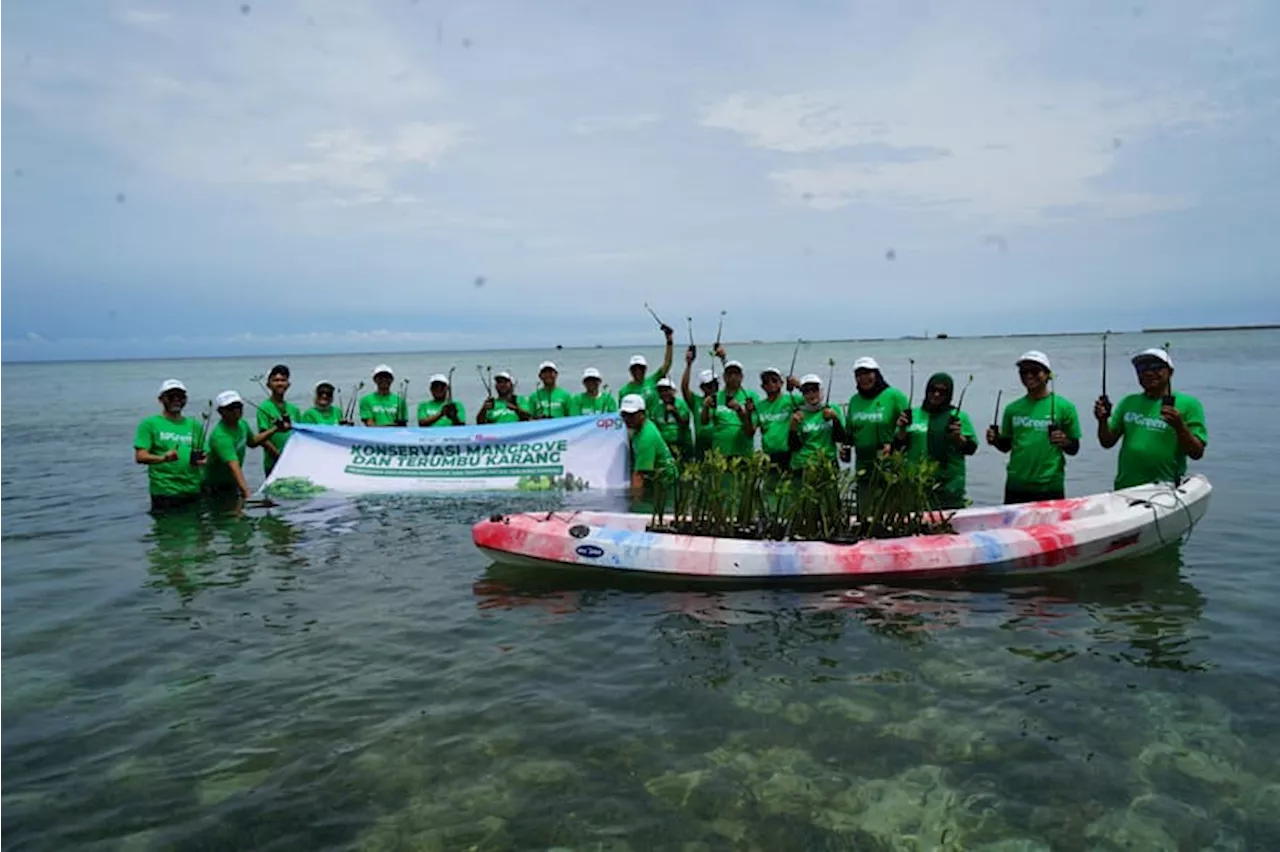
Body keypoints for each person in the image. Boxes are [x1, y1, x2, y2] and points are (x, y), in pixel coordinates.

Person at [1094, 347, 1207, 489]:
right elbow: (1107, 442)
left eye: (1156, 367)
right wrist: (1102, 420)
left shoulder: (1189, 404)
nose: (1148, 373)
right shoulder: (1128, 402)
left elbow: (1197, 453)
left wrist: (1179, 426)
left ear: (1170, 372)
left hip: (1166, 487)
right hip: (1125, 486)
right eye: (1141, 369)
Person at [986, 351, 1081, 503]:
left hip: (1050, 486)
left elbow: (1074, 448)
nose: (1029, 376)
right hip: (1016, 485)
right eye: (1024, 372)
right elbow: (1006, 446)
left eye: (1035, 371)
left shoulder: (1065, 407)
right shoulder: (1012, 409)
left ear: (1047, 374)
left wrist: (1065, 441)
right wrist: (995, 440)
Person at [895, 372, 978, 510]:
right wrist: (902, 428)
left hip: (948, 484)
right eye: (933, 390)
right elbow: (898, 445)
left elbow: (971, 448)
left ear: (949, 394)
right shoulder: (913, 415)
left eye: (942, 392)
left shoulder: (958, 417)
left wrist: (958, 437)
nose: (937, 394)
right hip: (916, 482)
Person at [133, 379, 206, 511]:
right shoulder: (149, 424)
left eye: (180, 396)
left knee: (194, 529)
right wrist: (163, 458)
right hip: (165, 492)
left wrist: (205, 459)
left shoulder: (195, 425)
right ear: (161, 399)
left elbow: (207, 453)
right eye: (171, 396)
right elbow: (140, 456)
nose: (176, 399)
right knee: (167, 530)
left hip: (193, 489)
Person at [204, 390, 286, 500]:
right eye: (231, 408)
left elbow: (252, 442)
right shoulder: (221, 437)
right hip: (215, 487)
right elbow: (234, 466)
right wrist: (247, 493)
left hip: (232, 483)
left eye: (238, 406)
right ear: (220, 411)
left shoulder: (242, 423)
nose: (236, 411)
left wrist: (275, 429)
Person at [842, 357, 910, 472]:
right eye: (859, 374)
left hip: (889, 463)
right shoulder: (854, 400)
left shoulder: (894, 396)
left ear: (877, 374)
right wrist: (844, 447)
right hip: (862, 465)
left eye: (867, 373)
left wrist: (894, 446)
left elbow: (909, 428)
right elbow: (850, 432)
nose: (863, 378)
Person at [620, 393, 677, 498]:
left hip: (666, 485)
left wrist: (633, 502)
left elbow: (639, 476)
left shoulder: (646, 438)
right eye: (624, 415)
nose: (627, 419)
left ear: (642, 414)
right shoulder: (638, 428)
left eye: (632, 415)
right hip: (653, 480)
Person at [701, 359, 758, 458]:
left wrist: (739, 410)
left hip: (743, 452)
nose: (733, 377)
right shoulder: (716, 397)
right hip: (720, 452)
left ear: (741, 377)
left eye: (736, 374)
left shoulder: (751, 396)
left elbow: (751, 430)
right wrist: (705, 407)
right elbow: (704, 421)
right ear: (724, 377)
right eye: (729, 374)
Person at [788, 374, 846, 471]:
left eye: (814, 389)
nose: (811, 394)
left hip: (828, 462)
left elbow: (841, 438)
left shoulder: (833, 409)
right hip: (803, 463)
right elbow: (794, 447)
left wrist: (835, 419)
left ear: (821, 391)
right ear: (802, 394)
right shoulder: (798, 414)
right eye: (806, 391)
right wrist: (793, 428)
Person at [257, 364, 301, 475]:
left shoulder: (294, 409)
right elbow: (263, 439)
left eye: (283, 380)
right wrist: (279, 457)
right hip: (273, 463)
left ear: (288, 384)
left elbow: (299, 435)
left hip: (293, 462)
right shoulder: (264, 408)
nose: (280, 383)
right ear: (268, 385)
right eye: (275, 380)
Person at [618, 323, 675, 408]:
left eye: (641, 368)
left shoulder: (652, 381)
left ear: (645, 369)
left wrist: (669, 341)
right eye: (635, 369)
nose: (638, 371)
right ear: (630, 370)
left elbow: (667, 364)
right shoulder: (624, 391)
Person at [755, 366, 799, 469]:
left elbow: (814, 402)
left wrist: (798, 385)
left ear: (781, 383)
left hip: (789, 454)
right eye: (766, 381)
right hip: (768, 455)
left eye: (774, 380)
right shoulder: (759, 406)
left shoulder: (792, 400)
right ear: (762, 386)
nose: (771, 383)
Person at [680, 348, 719, 460]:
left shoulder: (723, 400)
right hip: (700, 447)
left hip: (718, 445)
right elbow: (684, 388)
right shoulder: (696, 401)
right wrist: (688, 365)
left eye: (715, 384)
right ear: (702, 387)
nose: (713, 388)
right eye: (709, 385)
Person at [653, 377, 694, 459]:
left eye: (666, 390)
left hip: (682, 445)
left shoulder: (681, 404)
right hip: (666, 446)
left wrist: (675, 412)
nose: (664, 393)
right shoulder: (657, 409)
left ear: (673, 391)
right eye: (661, 391)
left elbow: (685, 423)